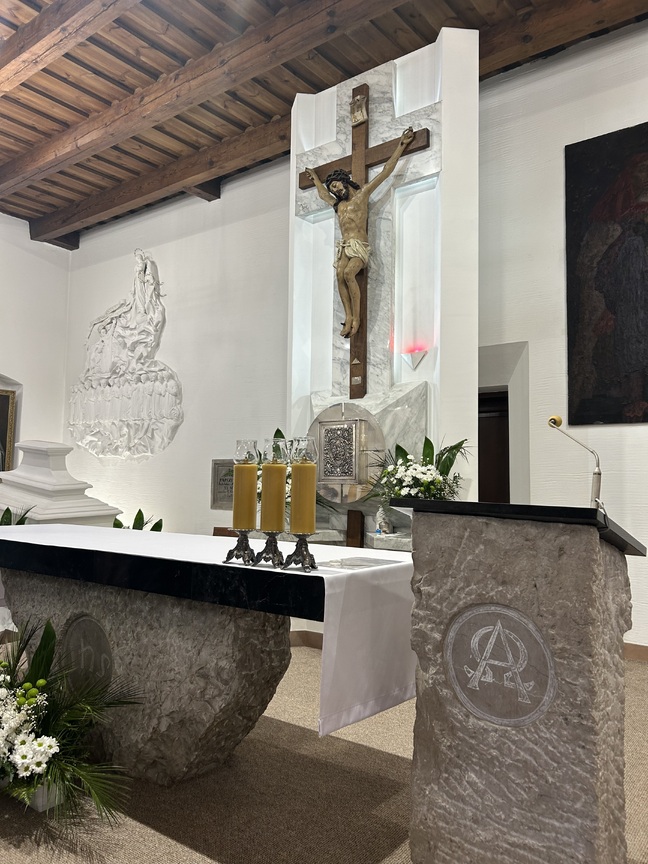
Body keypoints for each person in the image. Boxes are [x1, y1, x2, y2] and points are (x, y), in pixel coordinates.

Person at [305, 127, 415, 337]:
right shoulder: (339, 205)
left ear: (344, 181)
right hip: (344, 246)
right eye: (333, 189)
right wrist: (315, 179)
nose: (336, 190)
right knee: (339, 274)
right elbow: (322, 195)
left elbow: (385, 172)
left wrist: (401, 145)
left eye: (337, 185)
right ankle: (347, 317)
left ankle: (356, 318)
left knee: (348, 273)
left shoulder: (361, 195)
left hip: (359, 245)